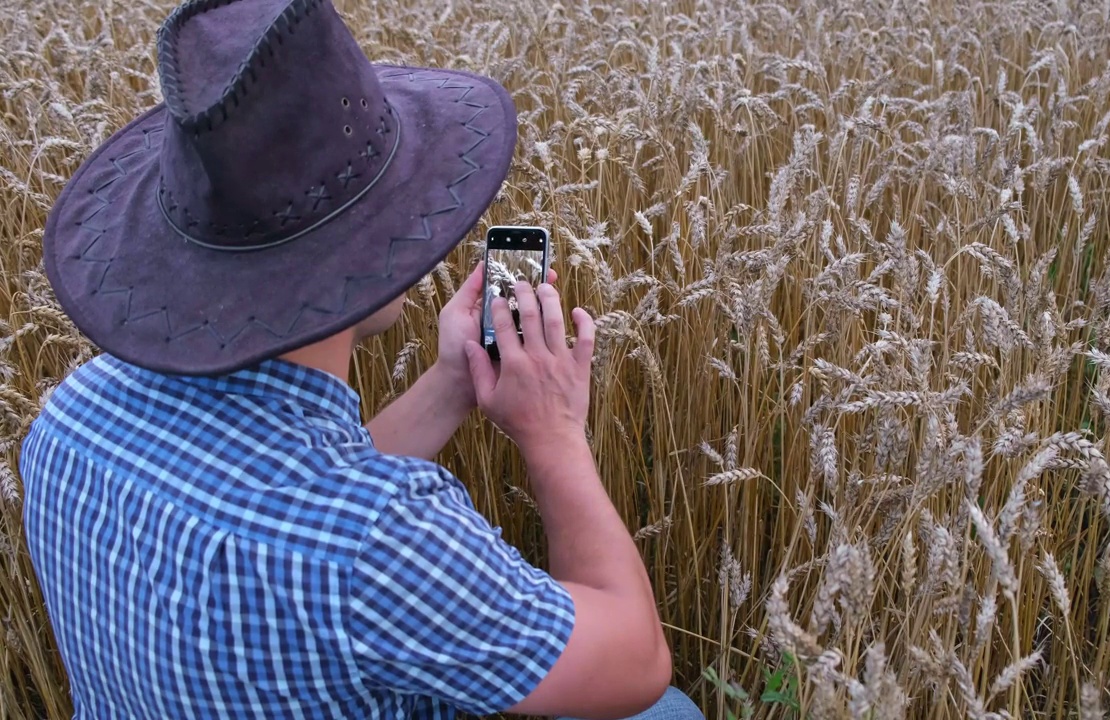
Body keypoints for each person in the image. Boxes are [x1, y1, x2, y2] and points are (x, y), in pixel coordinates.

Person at [17, 0, 704, 719]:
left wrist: (451, 382)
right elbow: (635, 662)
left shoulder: (69, 416)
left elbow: (277, 497)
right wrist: (554, 432)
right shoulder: (380, 543)